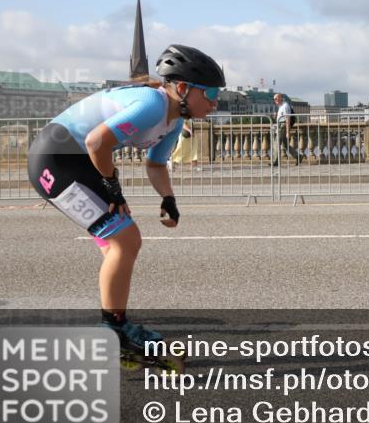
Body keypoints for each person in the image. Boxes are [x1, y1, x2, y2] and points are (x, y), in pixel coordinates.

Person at [27, 44, 224, 354]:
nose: (216, 102)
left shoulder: (174, 121)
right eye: (211, 93)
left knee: (119, 242)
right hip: (56, 159)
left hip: (80, 161)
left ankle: (113, 322)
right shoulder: (153, 105)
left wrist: (168, 199)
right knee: (125, 239)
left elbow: (156, 165)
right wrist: (113, 188)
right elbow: (96, 142)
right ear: (184, 88)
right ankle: (113, 329)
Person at [272, 93, 302, 166]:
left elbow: (287, 119)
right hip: (280, 125)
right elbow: (280, 119)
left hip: (283, 126)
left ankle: (275, 162)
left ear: (280, 98)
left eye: (276, 99)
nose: (275, 100)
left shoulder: (285, 106)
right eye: (274, 99)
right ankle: (298, 156)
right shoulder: (281, 106)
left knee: (276, 143)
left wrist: (287, 132)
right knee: (285, 145)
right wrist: (275, 117)